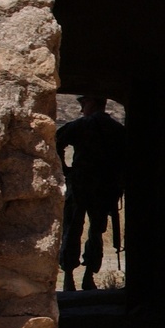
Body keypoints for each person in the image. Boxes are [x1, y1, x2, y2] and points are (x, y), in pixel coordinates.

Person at [56, 95, 127, 292]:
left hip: (80, 184)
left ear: (94, 104)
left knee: (72, 228)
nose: (81, 110)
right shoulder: (117, 129)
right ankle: (88, 277)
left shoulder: (81, 125)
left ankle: (69, 277)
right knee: (96, 231)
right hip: (104, 187)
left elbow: (56, 140)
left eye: (84, 104)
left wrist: (65, 169)